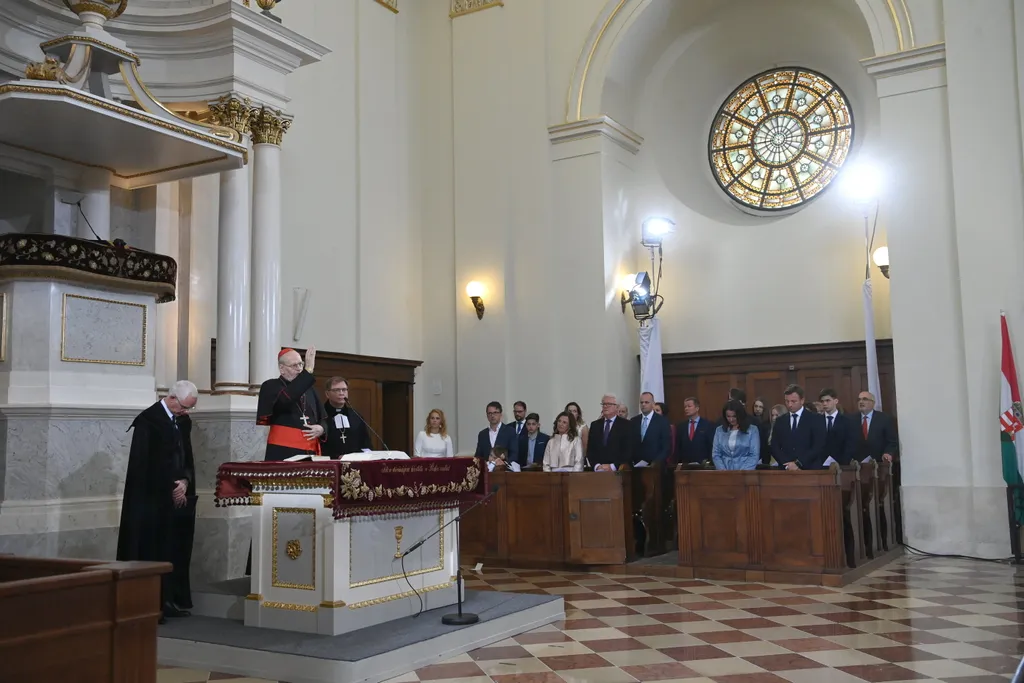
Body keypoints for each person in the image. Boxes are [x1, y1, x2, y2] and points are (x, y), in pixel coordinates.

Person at [116, 380, 198, 624]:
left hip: (175, 499)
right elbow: (144, 466)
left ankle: (170, 599)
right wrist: (169, 486)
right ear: (171, 398)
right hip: (151, 502)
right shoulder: (148, 422)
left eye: (189, 408)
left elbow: (186, 457)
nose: (185, 412)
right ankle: (150, 603)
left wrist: (184, 481)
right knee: (152, 549)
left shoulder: (182, 421)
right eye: (184, 406)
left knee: (174, 549)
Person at [256, 347, 326, 461]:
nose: (299, 369)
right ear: (282, 368)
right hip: (284, 451)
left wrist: (321, 428)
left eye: (301, 364)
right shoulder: (270, 386)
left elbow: (323, 417)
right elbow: (285, 401)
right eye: (294, 365)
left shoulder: (310, 389)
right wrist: (307, 371)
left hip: (311, 450)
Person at [772, 384, 827, 470]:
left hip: (810, 469)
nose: (789, 405)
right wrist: (787, 465)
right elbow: (774, 446)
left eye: (793, 401)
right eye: (787, 401)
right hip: (786, 470)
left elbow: (818, 446)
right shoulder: (780, 421)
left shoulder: (816, 419)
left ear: (802, 400)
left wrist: (798, 463)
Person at [323, 376, 373, 458]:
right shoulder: (320, 415)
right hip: (330, 464)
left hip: (355, 464)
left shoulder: (356, 416)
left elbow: (366, 444)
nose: (341, 393)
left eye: (344, 389)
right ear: (327, 394)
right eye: (337, 390)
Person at [586, 394, 632, 471]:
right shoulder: (595, 425)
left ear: (616, 407)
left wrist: (613, 466)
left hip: (618, 471)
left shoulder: (626, 425)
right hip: (598, 471)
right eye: (604, 404)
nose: (605, 406)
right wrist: (596, 466)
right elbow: (590, 450)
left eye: (609, 404)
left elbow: (628, 451)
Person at [712, 400, 760, 470]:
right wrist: (723, 472)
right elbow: (716, 454)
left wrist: (742, 474)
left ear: (740, 415)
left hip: (746, 473)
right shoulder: (719, 430)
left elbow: (754, 455)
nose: (731, 419)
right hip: (724, 474)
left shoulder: (752, 430)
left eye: (734, 416)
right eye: (728, 416)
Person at [631, 391, 671, 464]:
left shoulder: (662, 421)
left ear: (653, 404)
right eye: (641, 402)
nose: (643, 404)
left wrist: (656, 463)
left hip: (655, 467)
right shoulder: (634, 421)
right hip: (636, 466)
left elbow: (666, 447)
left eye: (646, 402)